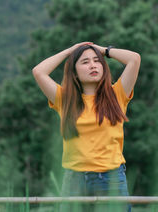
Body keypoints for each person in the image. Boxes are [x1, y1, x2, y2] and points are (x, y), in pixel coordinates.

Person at [32, 42, 141, 212]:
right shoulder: (65, 100)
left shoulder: (117, 95)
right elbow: (39, 72)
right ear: (74, 72)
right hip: (74, 179)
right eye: (85, 62)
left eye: (97, 61)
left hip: (110, 178)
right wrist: (70, 51)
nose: (93, 65)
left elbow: (134, 59)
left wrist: (104, 51)